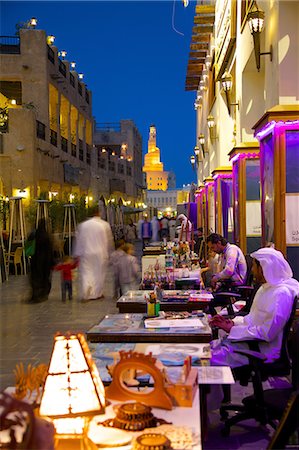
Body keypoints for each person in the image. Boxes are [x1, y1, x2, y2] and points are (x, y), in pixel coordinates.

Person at [209, 247, 299, 368]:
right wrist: (232, 323)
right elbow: (252, 319)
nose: (252, 270)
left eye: (254, 267)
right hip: (247, 343)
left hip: (260, 351)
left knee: (203, 359)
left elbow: (267, 333)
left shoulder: (281, 294)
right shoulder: (265, 288)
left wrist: (233, 330)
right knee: (203, 350)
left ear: (263, 268)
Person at [73, 205, 113, 302]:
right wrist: (110, 252)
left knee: (86, 273)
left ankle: (86, 291)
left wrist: (76, 253)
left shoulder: (83, 225)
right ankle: (97, 293)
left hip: (86, 252)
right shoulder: (104, 224)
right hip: (100, 252)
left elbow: (79, 239)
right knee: (98, 273)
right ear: (98, 213)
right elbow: (109, 240)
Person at [28, 218, 55, 303]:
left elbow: (28, 248)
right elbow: (50, 250)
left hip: (35, 260)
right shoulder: (47, 236)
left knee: (36, 277)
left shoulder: (34, 234)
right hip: (46, 262)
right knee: (45, 277)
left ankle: (36, 295)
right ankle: (43, 294)